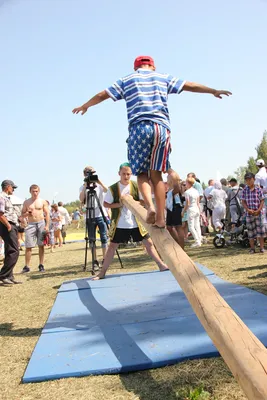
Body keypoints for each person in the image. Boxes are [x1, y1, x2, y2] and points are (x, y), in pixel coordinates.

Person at [73, 55, 232, 229]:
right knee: (156, 175)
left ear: (136, 68)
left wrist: (85, 105)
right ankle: (161, 219)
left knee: (142, 173)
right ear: (153, 66)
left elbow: (102, 94)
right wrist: (213, 90)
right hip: (161, 129)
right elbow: (189, 85)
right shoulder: (163, 77)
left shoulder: (127, 80)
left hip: (138, 129)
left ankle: (150, 207)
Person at [92, 163, 168, 280]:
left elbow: (144, 202)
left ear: (131, 174)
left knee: (149, 244)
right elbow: (106, 204)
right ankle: (102, 273)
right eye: (123, 174)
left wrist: (133, 203)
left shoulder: (137, 186)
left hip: (136, 222)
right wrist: (120, 204)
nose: (126, 176)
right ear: (119, 174)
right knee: (112, 247)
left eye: (128, 174)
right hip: (120, 223)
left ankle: (161, 265)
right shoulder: (113, 188)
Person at [80, 166, 109, 269]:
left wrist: (99, 181)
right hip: (90, 216)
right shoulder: (83, 187)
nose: (91, 175)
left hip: (100, 214)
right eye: (89, 173)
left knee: (104, 238)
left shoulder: (99, 186)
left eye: (92, 173)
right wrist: (85, 185)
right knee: (92, 239)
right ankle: (94, 260)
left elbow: (107, 190)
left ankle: (105, 259)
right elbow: (81, 199)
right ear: (85, 174)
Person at [21, 184, 49, 273]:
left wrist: (47, 225)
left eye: (36, 191)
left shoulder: (42, 201)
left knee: (41, 245)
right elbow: (22, 214)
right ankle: (27, 266)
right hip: (31, 224)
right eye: (33, 191)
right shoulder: (26, 202)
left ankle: (41, 264)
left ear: (39, 191)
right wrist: (27, 214)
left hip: (41, 223)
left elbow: (47, 214)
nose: (35, 193)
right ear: (30, 192)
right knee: (28, 246)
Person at [0, 180, 21, 284]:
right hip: (7, 225)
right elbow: (0, 214)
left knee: (10, 250)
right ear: (7, 187)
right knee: (14, 251)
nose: (13, 189)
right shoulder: (2, 197)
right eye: (13, 187)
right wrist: (8, 225)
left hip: (11, 224)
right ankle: (3, 275)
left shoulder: (7, 198)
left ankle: (9, 276)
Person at [240, 172, 265, 254]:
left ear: (254, 179)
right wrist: (247, 210)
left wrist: (258, 210)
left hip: (259, 213)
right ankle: (252, 249)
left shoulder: (258, 189)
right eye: (247, 180)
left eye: (250, 179)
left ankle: (261, 248)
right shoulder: (244, 190)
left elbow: (262, 200)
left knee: (261, 231)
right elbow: (243, 202)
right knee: (250, 232)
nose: (248, 181)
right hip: (249, 214)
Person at [166, 171, 184, 249]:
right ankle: (177, 243)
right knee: (169, 227)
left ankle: (181, 247)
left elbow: (177, 188)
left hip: (176, 207)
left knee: (178, 227)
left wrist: (175, 179)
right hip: (170, 208)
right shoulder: (169, 188)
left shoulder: (175, 186)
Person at [182, 177, 202, 247]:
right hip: (196, 209)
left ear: (188, 183)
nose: (185, 185)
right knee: (197, 225)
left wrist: (183, 212)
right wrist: (200, 211)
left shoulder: (187, 192)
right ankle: (199, 239)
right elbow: (198, 202)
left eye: (186, 183)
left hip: (191, 210)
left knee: (191, 227)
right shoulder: (196, 191)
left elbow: (187, 203)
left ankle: (197, 241)